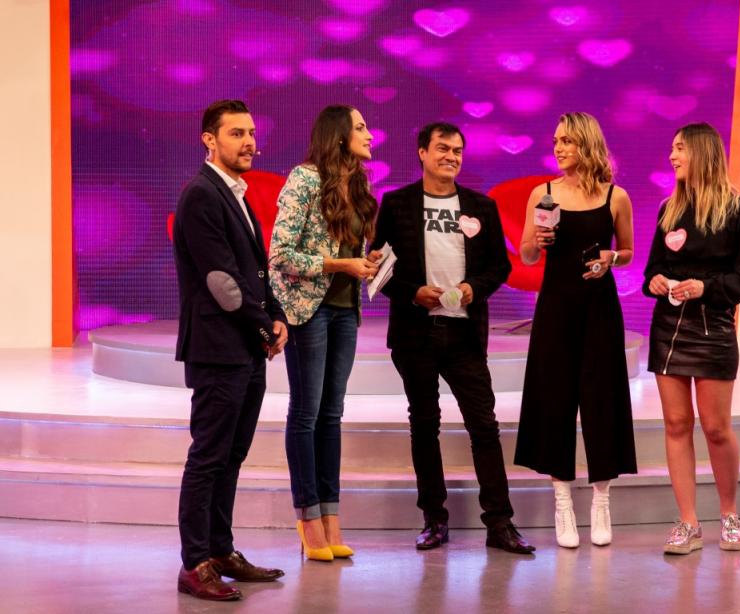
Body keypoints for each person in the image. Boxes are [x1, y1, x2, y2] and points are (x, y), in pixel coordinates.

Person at [372, 122, 535, 555]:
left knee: (484, 426)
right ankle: (434, 519)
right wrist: (413, 293)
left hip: (464, 334)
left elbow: (500, 266)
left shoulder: (481, 206)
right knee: (424, 425)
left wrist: (471, 289)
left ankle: (500, 523)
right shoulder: (397, 204)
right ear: (422, 153)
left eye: (458, 150)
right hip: (415, 334)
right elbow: (379, 269)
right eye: (443, 148)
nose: (451, 156)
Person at [173, 99, 288, 601]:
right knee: (209, 457)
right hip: (218, 348)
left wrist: (276, 315)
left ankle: (221, 550)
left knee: (232, 456)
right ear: (209, 139)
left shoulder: (234, 192)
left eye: (251, 133)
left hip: (244, 348)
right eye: (237, 133)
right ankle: (195, 563)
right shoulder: (202, 193)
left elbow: (254, 271)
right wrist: (265, 326)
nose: (249, 142)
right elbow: (222, 281)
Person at [514, 112, 638, 549]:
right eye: (556, 141)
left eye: (566, 140)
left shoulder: (616, 196)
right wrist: (537, 243)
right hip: (556, 309)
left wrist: (611, 258)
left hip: (600, 310)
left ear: (586, 143)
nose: (559, 148)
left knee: (603, 400)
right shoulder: (543, 194)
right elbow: (527, 256)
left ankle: (601, 500)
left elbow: (628, 251)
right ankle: (562, 502)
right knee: (555, 401)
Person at [643, 122, 740, 554]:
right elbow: (652, 268)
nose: (672, 156)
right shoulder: (668, 209)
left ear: (702, 152)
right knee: (677, 424)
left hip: (714, 330)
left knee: (715, 427)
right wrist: (656, 280)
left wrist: (705, 288)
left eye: (680, 148)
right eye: (672, 148)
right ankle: (688, 523)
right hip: (669, 330)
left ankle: (729, 514)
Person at [269, 105, 380, 561]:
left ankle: (331, 516)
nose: (370, 134)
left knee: (332, 415)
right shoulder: (304, 178)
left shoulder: (359, 184)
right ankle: (308, 518)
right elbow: (280, 254)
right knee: (307, 413)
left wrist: (367, 264)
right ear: (338, 135)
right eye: (360, 127)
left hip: (345, 310)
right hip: (308, 311)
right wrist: (339, 265)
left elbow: (351, 252)